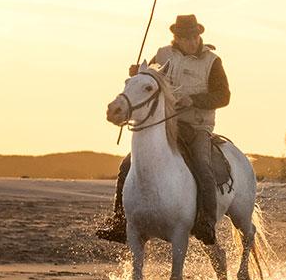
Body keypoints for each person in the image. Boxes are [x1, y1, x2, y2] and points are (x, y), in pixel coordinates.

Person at [96, 14, 230, 245]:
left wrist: (195, 99)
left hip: (197, 125)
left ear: (199, 35)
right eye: (185, 37)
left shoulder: (212, 62)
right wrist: (138, 72)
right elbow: (150, 78)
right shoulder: (163, 54)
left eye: (194, 36)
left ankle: (206, 223)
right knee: (127, 164)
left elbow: (224, 96)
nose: (191, 41)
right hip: (166, 123)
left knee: (201, 164)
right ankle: (120, 221)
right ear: (176, 37)